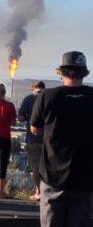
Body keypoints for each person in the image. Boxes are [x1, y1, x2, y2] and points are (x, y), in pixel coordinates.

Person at [30, 51, 93, 227]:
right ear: (84, 72)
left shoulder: (47, 96)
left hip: (53, 177)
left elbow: (34, 129)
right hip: (84, 178)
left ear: (62, 72)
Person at [18, 80, 45, 201]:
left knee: (35, 166)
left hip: (33, 138)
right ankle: (46, 191)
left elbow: (21, 118)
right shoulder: (49, 98)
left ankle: (39, 191)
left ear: (32, 88)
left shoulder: (28, 99)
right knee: (47, 167)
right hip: (48, 139)